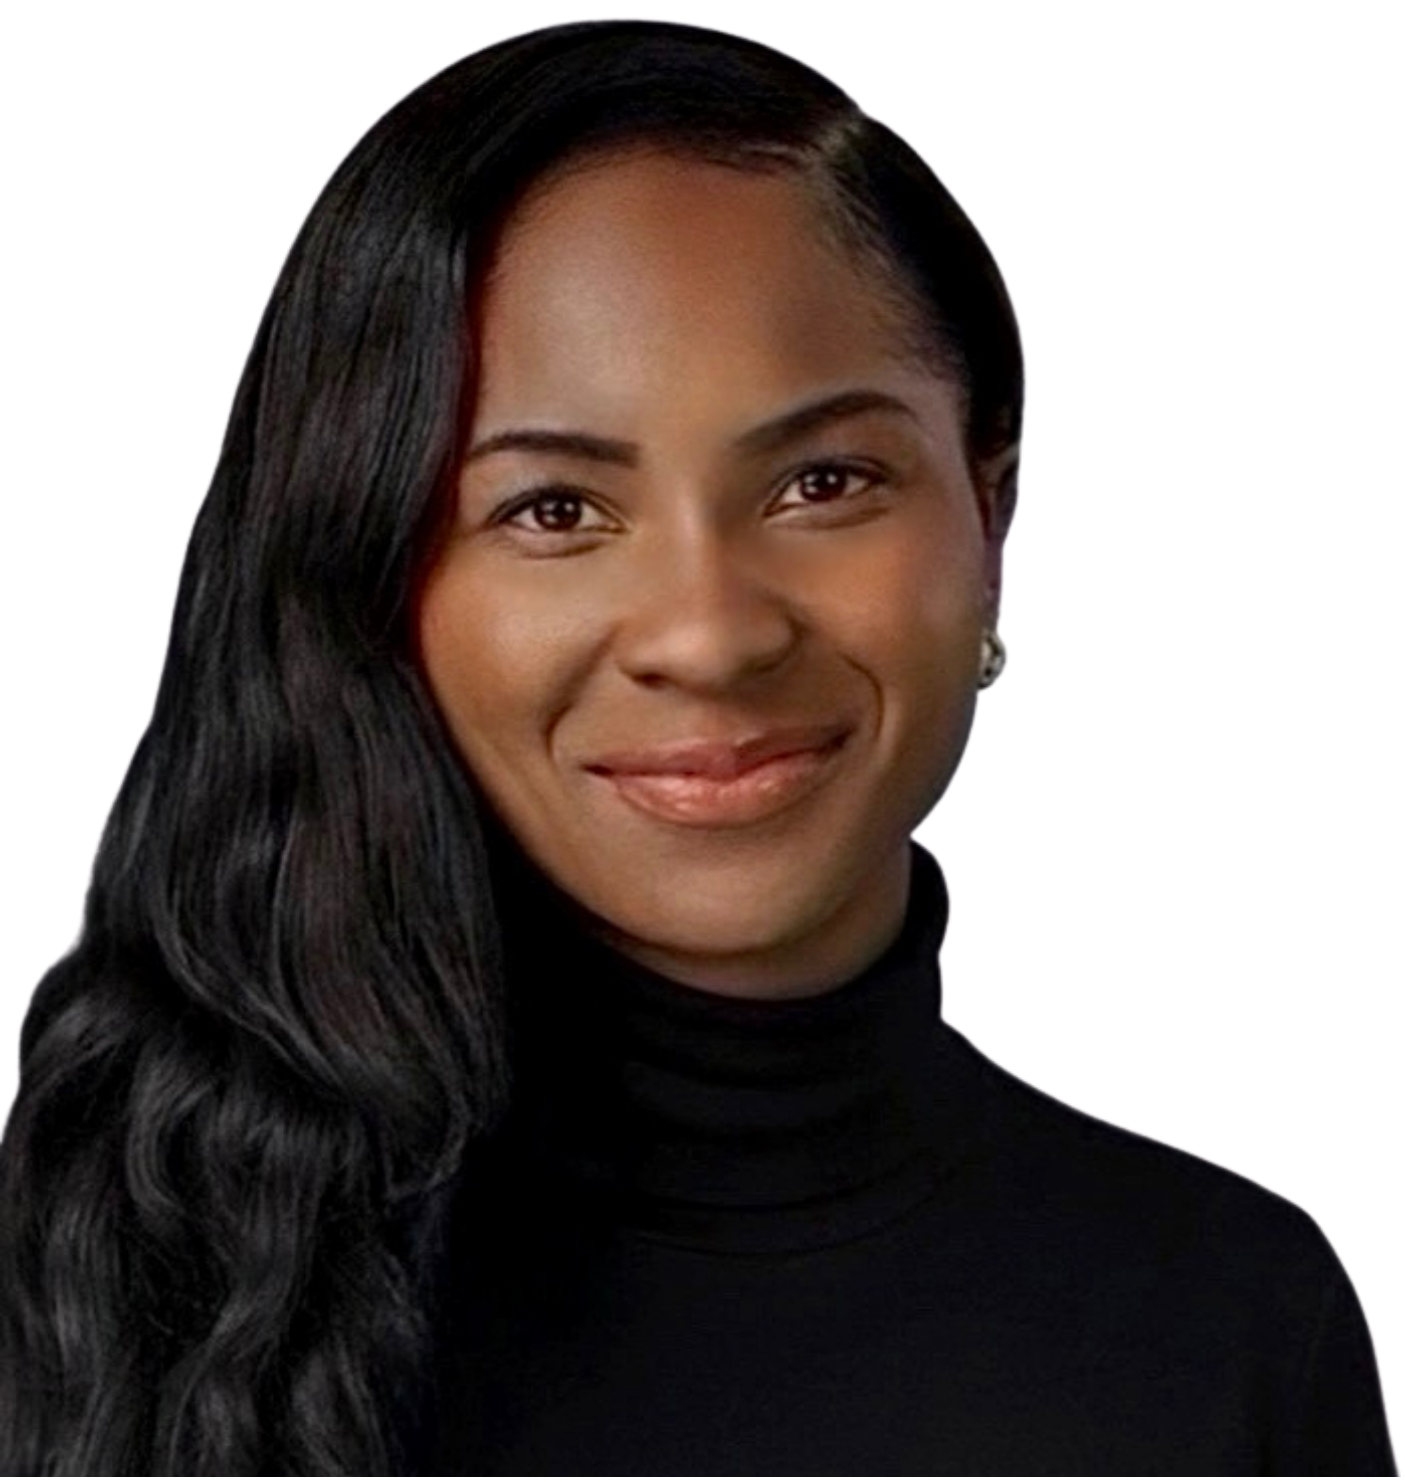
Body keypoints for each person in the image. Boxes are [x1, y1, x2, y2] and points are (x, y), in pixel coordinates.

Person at [0, 18, 1395, 1476]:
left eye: (822, 479)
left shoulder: (1234, 1319)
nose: (711, 633)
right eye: (551, 510)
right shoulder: (105, 1290)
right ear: (371, 585)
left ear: (992, 513)